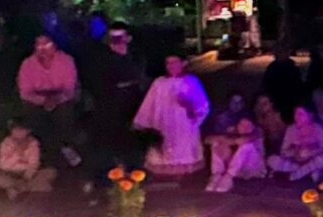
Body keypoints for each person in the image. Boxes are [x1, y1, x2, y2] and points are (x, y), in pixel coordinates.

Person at [133, 51, 211, 177]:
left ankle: (183, 177)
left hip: (183, 124)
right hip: (163, 122)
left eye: (174, 62)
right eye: (168, 63)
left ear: (182, 63)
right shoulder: (159, 83)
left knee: (183, 149)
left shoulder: (190, 81)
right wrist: (142, 123)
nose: (171, 65)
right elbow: (149, 103)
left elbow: (202, 105)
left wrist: (188, 104)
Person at [87, 22, 149, 172]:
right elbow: (97, 83)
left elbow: (140, 77)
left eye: (120, 37)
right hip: (109, 105)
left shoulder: (136, 56)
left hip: (133, 103)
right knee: (109, 137)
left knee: (133, 136)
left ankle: (135, 168)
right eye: (113, 37)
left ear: (128, 38)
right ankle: (109, 170)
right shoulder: (100, 58)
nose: (116, 41)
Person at [14, 32, 83, 166]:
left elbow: (69, 88)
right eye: (39, 45)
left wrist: (55, 100)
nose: (43, 49)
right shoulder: (27, 64)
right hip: (36, 99)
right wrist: (43, 101)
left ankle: (66, 147)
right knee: (32, 114)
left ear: (54, 45)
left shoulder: (66, 61)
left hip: (62, 98)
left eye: (47, 44)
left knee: (64, 113)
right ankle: (38, 152)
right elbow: (25, 91)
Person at [205, 94, 267, 193]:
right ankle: (216, 175)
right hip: (239, 170)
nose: (245, 127)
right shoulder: (233, 131)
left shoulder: (257, 132)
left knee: (247, 145)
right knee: (216, 143)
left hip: (254, 170)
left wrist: (228, 141)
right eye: (242, 125)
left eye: (248, 124)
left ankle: (228, 178)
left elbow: (245, 140)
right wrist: (223, 139)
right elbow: (208, 139)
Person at [269, 105, 323, 182]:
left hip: (311, 161)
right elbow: (283, 151)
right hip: (294, 163)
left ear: (310, 116)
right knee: (272, 159)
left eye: (300, 114)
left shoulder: (317, 128)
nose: (296, 117)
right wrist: (295, 152)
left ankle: (295, 175)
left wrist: (310, 152)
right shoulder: (291, 129)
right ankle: (305, 173)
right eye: (295, 114)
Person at [0, 120, 55, 197]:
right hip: (11, 174)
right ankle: (30, 187)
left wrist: (26, 177)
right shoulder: (6, 143)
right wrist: (18, 155)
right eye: (16, 130)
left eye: (22, 130)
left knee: (51, 172)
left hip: (27, 175)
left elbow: (34, 163)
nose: (18, 133)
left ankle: (18, 188)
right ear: (11, 131)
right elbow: (3, 165)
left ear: (27, 131)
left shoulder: (33, 143)